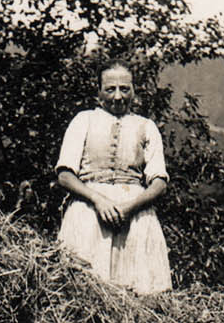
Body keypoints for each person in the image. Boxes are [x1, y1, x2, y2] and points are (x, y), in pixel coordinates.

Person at [55, 63, 173, 295]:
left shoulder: (146, 127)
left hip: (136, 217)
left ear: (133, 91)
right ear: (98, 92)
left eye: (124, 89)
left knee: (139, 293)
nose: (118, 97)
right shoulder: (83, 120)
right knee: (82, 289)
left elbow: (159, 183)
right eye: (110, 89)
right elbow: (65, 175)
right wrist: (99, 200)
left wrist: (129, 207)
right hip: (88, 214)